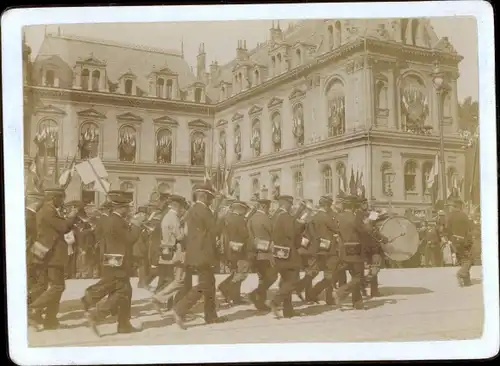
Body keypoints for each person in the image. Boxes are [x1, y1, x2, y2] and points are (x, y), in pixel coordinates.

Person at [85, 190, 145, 336]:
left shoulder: (113, 219)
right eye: (127, 208)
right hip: (119, 260)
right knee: (122, 292)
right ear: (121, 208)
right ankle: (96, 314)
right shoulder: (117, 221)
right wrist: (137, 225)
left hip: (114, 258)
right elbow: (129, 239)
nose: (129, 210)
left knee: (124, 291)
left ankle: (124, 324)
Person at [172, 183, 226, 329]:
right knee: (205, 285)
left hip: (196, 253)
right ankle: (180, 309)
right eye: (210, 197)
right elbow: (214, 230)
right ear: (204, 195)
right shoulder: (203, 210)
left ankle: (211, 316)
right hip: (204, 253)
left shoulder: (193, 210)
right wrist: (221, 217)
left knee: (210, 284)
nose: (211, 200)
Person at [28, 187, 79, 331]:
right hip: (52, 255)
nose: (63, 201)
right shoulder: (48, 211)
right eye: (61, 198)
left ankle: (50, 320)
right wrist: (72, 215)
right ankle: (33, 309)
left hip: (45, 253)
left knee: (45, 286)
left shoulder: (47, 210)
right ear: (54, 198)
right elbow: (63, 227)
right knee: (58, 286)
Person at [332, 195, 386, 310]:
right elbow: (365, 231)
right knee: (358, 277)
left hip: (343, 251)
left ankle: (358, 302)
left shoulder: (338, 217)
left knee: (354, 276)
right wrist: (370, 223)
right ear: (353, 205)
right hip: (355, 251)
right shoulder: (355, 217)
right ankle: (340, 292)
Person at [266, 195, 304, 319]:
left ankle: (288, 311)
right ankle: (275, 301)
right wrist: (300, 225)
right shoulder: (285, 217)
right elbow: (291, 234)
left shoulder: (276, 216)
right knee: (293, 280)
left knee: (285, 281)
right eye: (290, 204)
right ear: (285, 204)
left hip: (279, 253)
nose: (291, 206)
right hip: (289, 253)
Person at [150, 195, 188, 314]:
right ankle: (160, 298)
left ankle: (166, 301)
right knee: (179, 279)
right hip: (176, 251)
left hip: (167, 251)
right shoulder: (173, 217)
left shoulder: (167, 216)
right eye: (182, 207)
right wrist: (186, 227)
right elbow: (180, 236)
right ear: (178, 206)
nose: (182, 210)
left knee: (173, 279)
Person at [302, 195, 341, 305]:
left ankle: (309, 295)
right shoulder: (326, 217)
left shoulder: (313, 217)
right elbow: (337, 228)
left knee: (312, 272)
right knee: (330, 274)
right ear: (327, 206)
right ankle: (325, 297)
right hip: (328, 249)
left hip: (315, 249)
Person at [217, 201, 251, 305]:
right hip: (240, 250)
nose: (245, 212)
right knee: (241, 273)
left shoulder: (227, 218)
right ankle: (226, 288)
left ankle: (235, 297)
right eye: (245, 210)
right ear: (240, 209)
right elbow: (245, 234)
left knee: (235, 272)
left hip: (229, 250)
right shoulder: (240, 220)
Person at [247, 199, 277, 311]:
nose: (268, 209)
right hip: (267, 253)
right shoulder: (266, 219)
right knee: (272, 277)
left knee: (262, 278)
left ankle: (260, 303)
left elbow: (249, 235)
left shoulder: (251, 218)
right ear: (264, 206)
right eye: (268, 207)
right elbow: (273, 233)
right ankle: (255, 294)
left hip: (256, 253)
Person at [445, 199, 472, 286]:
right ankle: (461, 274)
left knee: (462, 260)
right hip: (463, 241)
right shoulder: (463, 215)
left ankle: (467, 281)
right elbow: (469, 229)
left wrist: (451, 239)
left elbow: (447, 229)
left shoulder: (449, 216)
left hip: (454, 241)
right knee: (468, 260)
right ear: (459, 206)